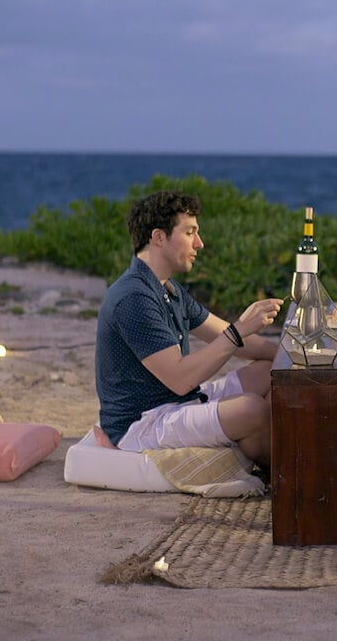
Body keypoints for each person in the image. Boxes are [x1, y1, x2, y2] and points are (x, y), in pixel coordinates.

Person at [95, 190, 283, 466]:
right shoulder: (133, 297)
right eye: (190, 233)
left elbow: (222, 333)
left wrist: (289, 357)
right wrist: (239, 330)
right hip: (144, 422)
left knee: (273, 372)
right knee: (252, 409)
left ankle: (262, 450)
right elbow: (181, 378)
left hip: (179, 401)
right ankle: (287, 474)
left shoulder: (167, 288)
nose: (200, 243)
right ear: (159, 238)